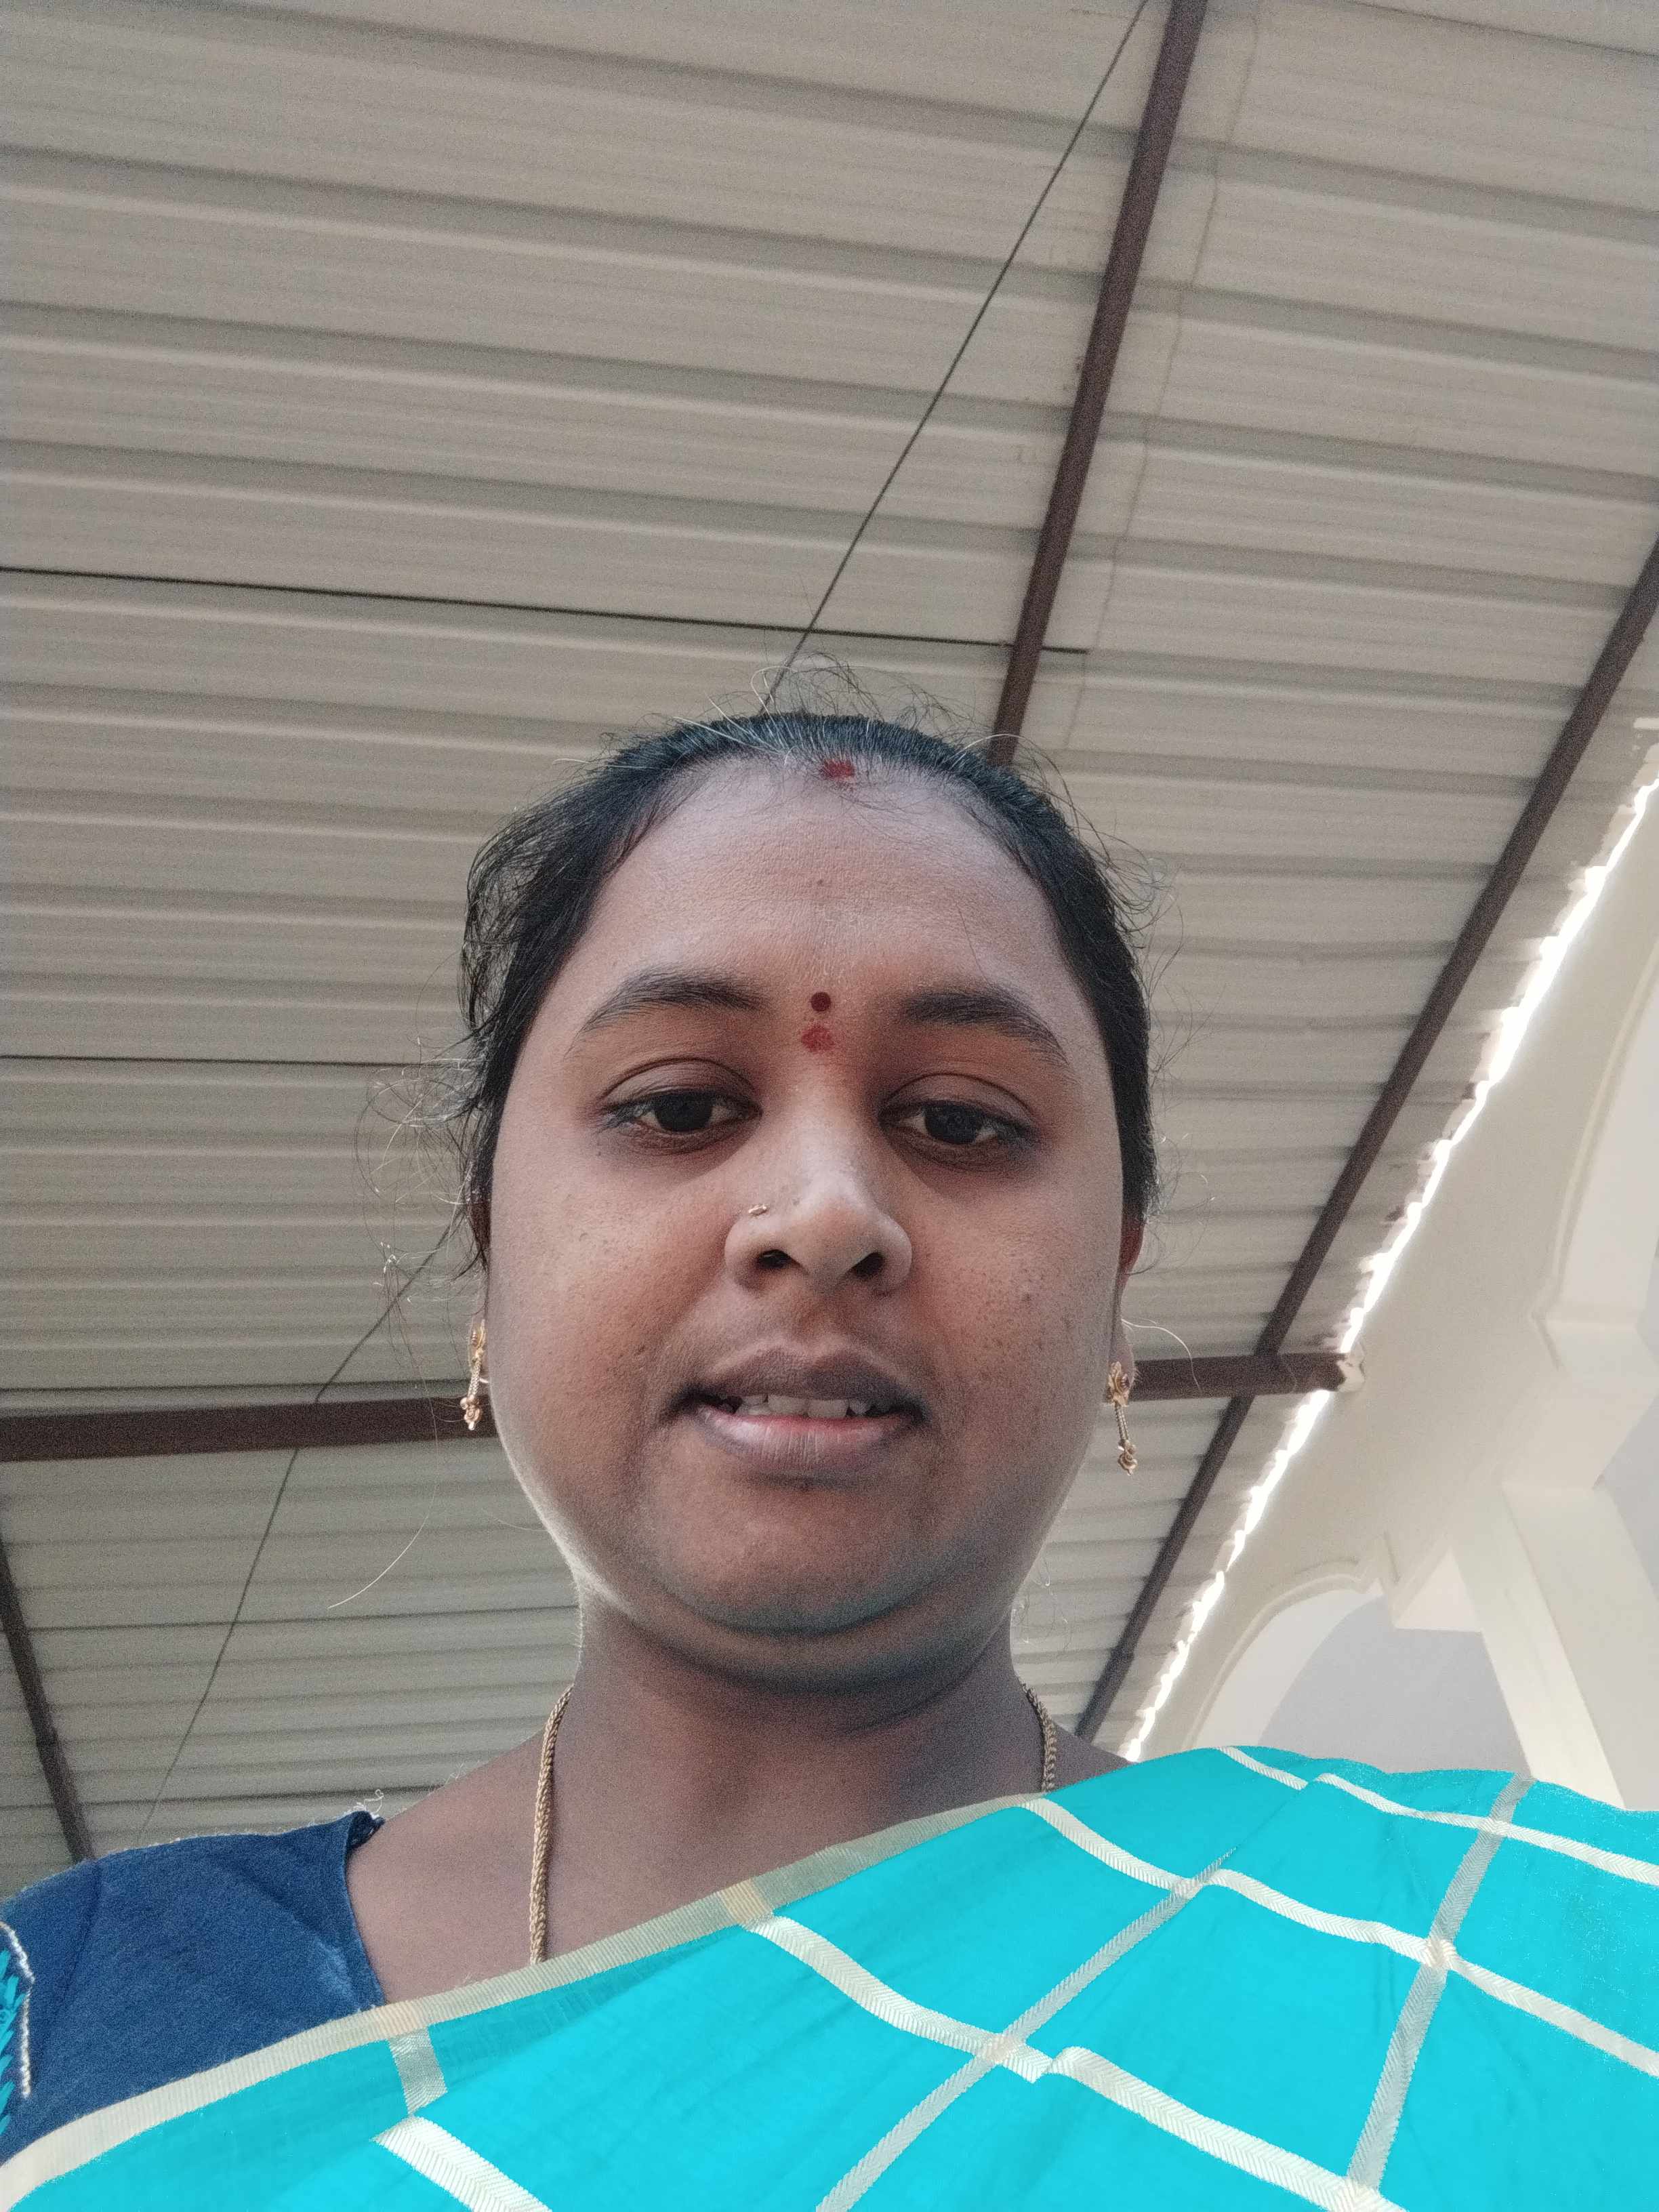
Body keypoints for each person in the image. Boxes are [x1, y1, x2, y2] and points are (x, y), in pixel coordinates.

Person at [2, 710, 1653, 2208]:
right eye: (677, 1106)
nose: (825, 1215)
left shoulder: (1523, 1960)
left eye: (963, 1122)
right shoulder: (72, 2004)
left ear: (1115, 1283)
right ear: (489, 1247)